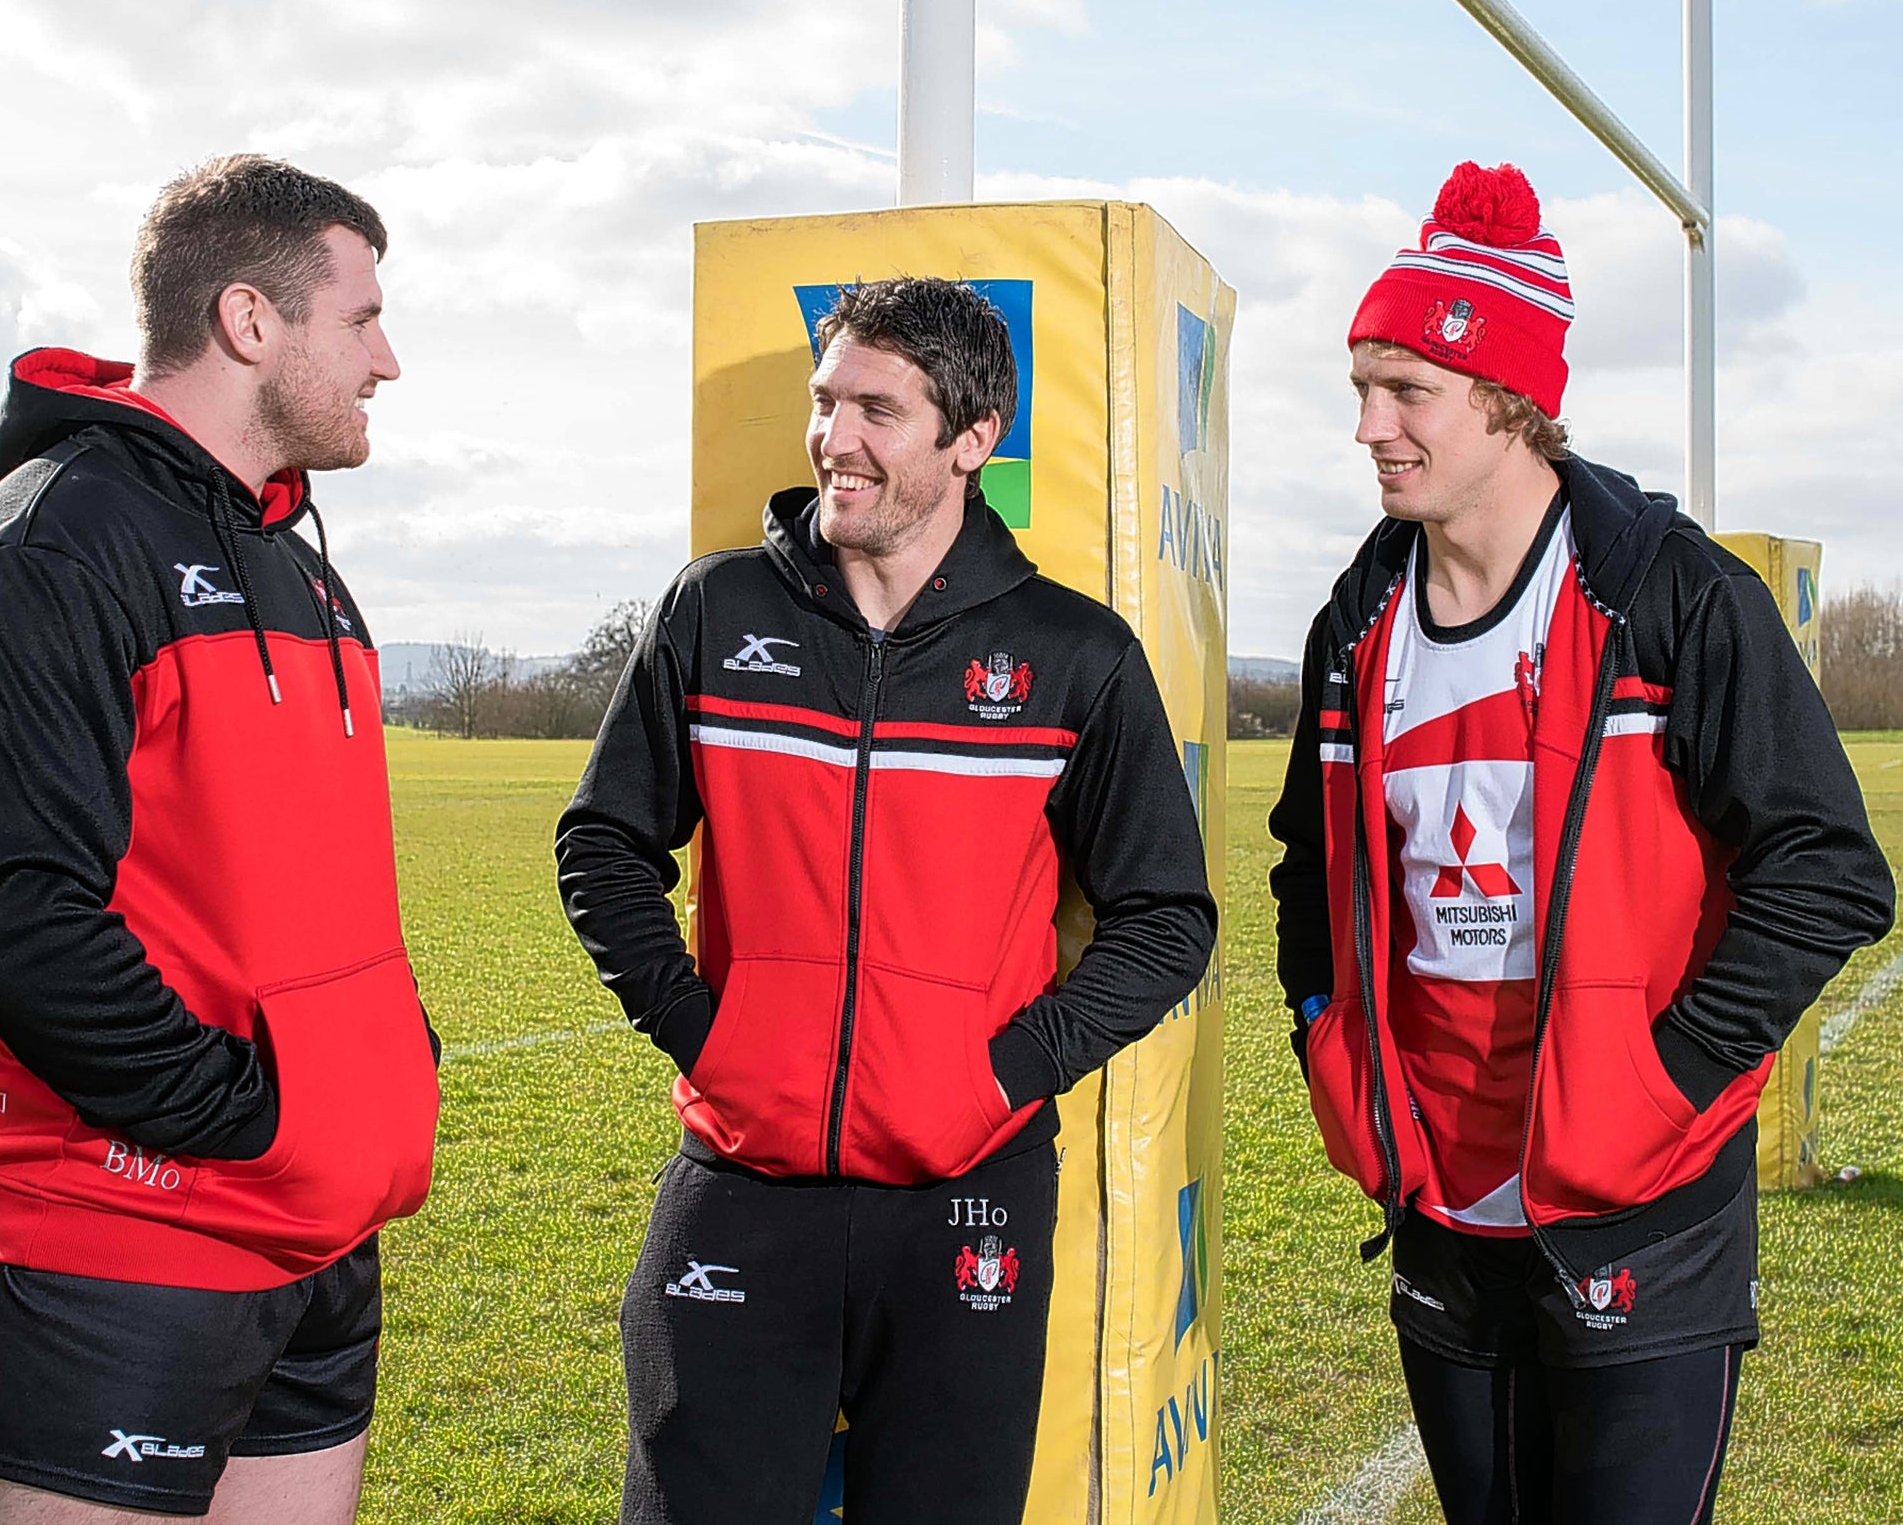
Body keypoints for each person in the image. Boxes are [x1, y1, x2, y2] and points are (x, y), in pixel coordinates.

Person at [1268, 160, 1894, 1524]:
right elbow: (1306, 868)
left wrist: (1662, 1081)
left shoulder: (1673, 598)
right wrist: (1328, 1028)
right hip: (1441, 1200)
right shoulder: (1354, 624)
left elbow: (1829, 872)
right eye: (1360, 386)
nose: (1369, 425)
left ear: (1506, 400)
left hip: (1642, 1206)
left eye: (1406, 390)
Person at [557, 275, 1216, 1524]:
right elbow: (601, 843)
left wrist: (1003, 1073)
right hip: (742, 1186)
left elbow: (1165, 918)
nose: (832, 440)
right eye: (824, 402)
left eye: (876, 409)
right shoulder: (715, 610)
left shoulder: (1074, 655)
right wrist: (713, 1039)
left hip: (966, 1194)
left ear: (972, 439)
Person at [0, 154, 439, 1524]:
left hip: (317, 1237)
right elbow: (18, 920)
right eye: (362, 317)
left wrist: (369, 1077)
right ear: (251, 321)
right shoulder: (46, 551)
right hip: (120, 1237)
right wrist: (250, 1117)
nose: (388, 358)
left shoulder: (298, 561)